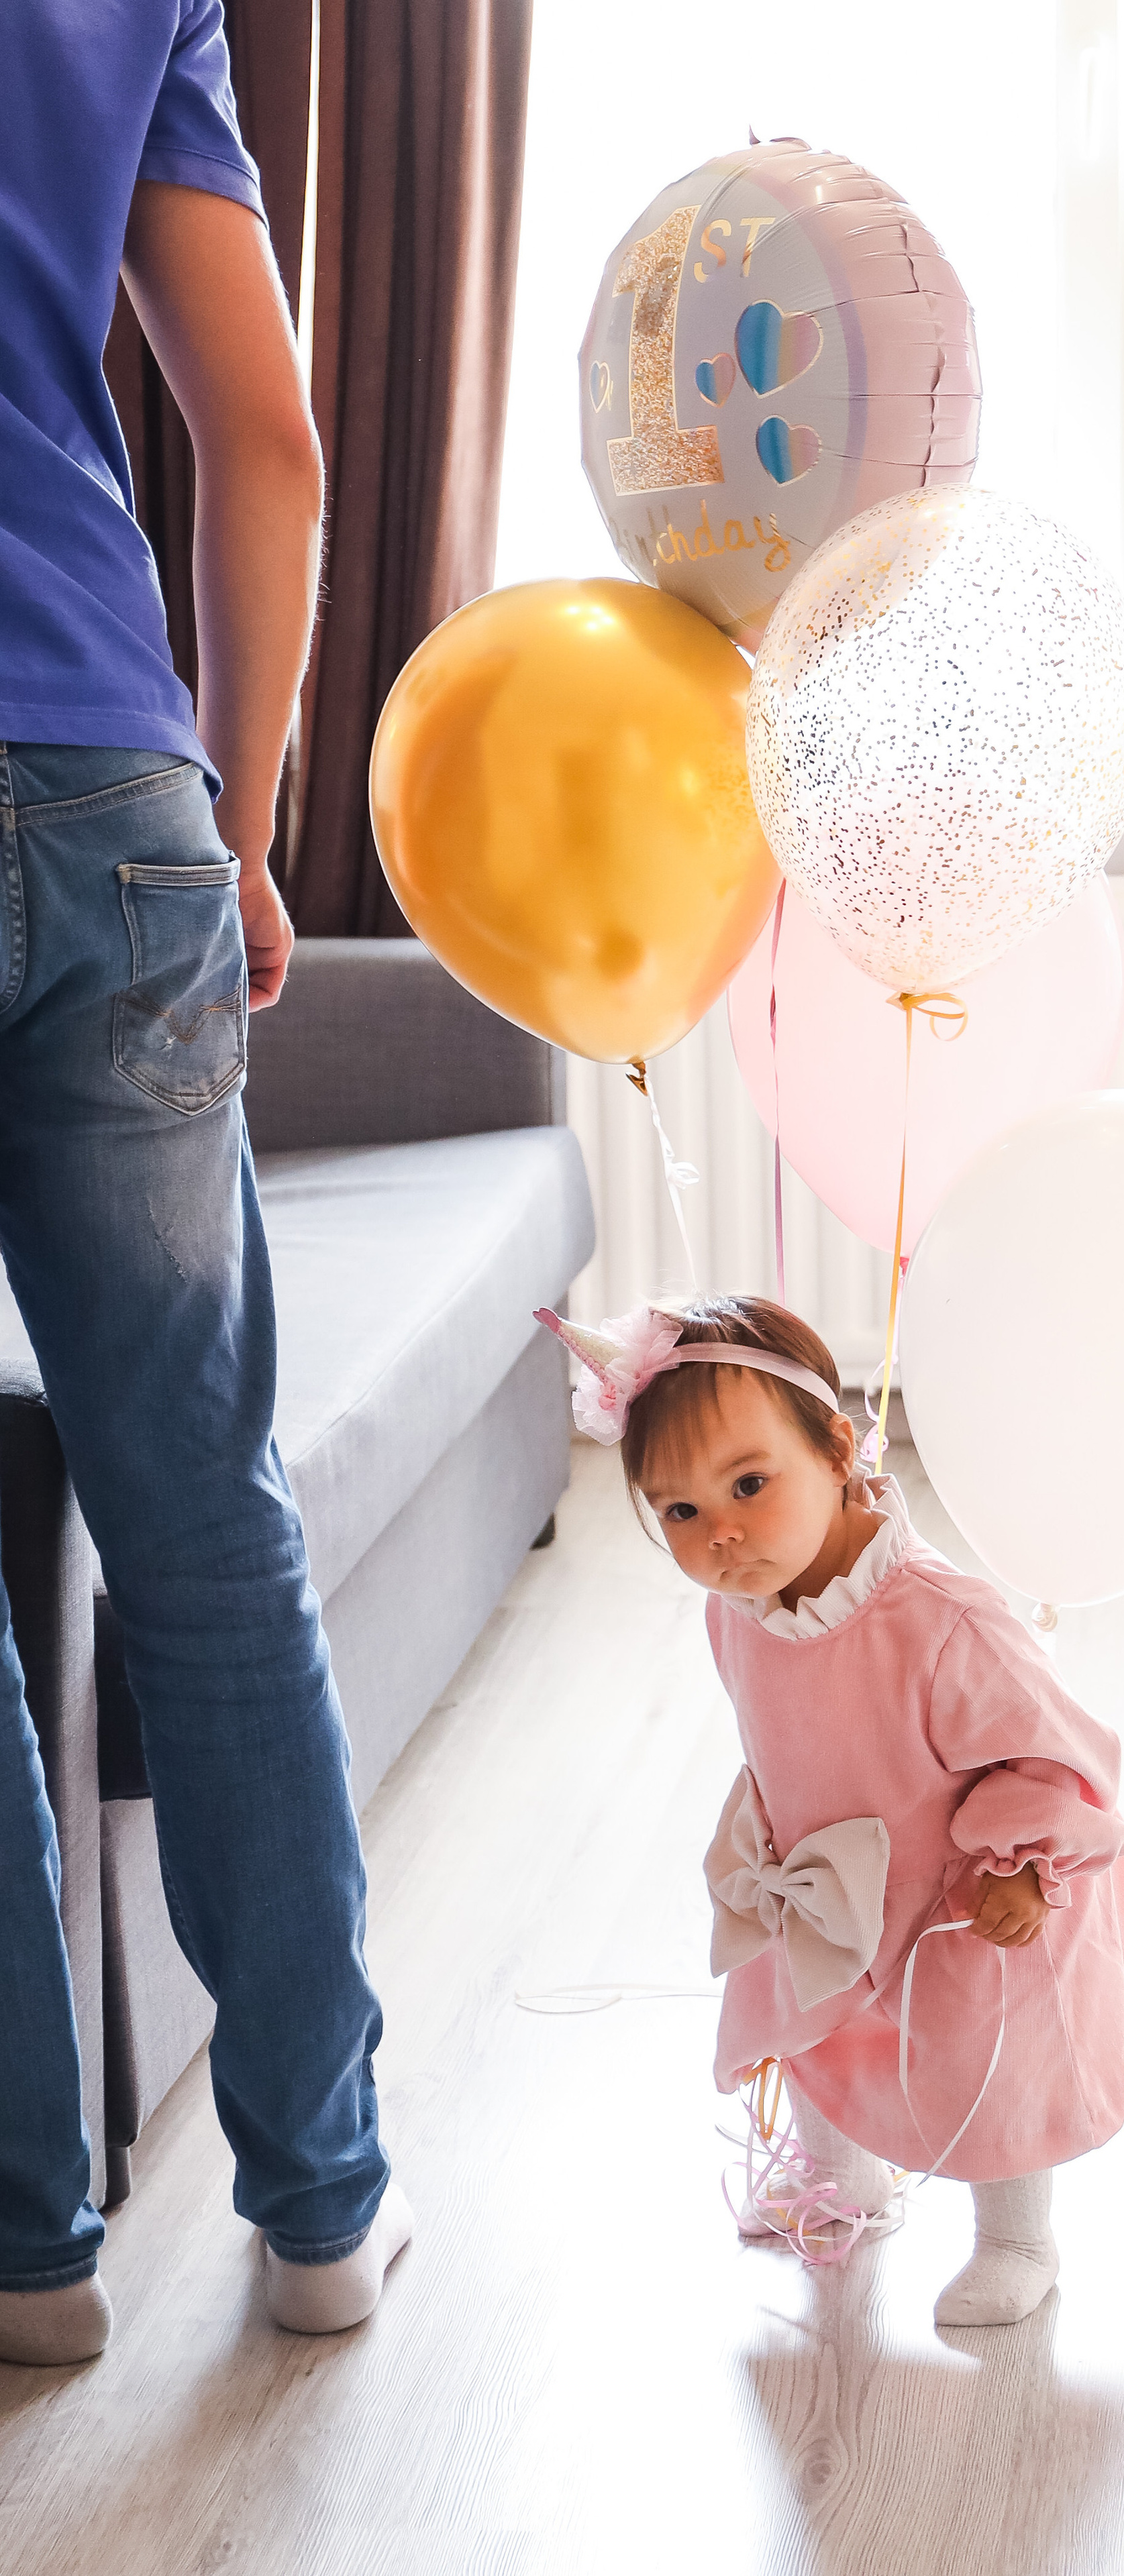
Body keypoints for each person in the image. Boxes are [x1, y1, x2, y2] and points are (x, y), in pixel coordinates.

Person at [0, 1, 410, 2366]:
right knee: (211, 1537)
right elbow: (263, 433)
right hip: (114, 777)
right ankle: (323, 2214)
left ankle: (30, 2251)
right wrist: (240, 832)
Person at [545, 1293, 1124, 2327]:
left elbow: (1053, 1754)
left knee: (992, 2064)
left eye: (750, 1485)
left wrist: (1027, 1868)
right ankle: (842, 2181)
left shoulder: (944, 1624)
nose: (721, 1533)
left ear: (839, 1449)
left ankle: (1020, 2239)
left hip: (964, 1895)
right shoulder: (742, 1612)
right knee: (819, 2028)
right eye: (679, 1512)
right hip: (829, 1868)